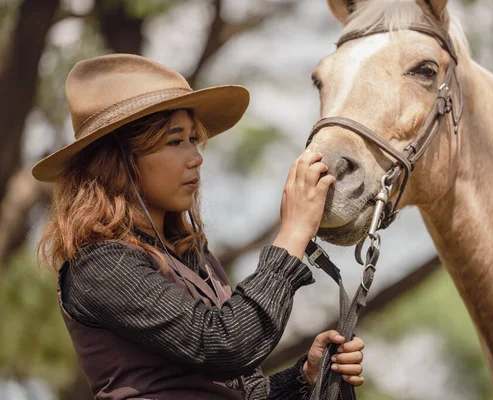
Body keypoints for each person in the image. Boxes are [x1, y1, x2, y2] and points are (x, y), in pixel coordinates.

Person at [32, 53, 365, 400]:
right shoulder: (101, 265)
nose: (196, 157)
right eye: (175, 141)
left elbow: (244, 389)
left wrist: (305, 376)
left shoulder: (195, 260)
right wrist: (293, 234)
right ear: (118, 162)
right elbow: (223, 345)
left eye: (193, 139)